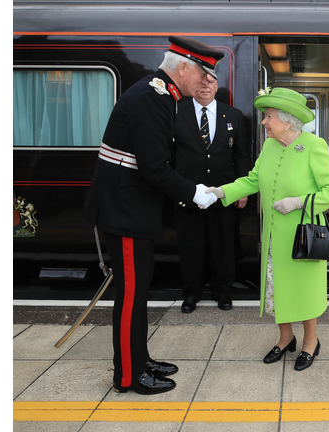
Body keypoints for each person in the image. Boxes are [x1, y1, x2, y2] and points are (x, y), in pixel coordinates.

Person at [82, 36, 224, 395]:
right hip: (125, 212)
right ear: (182, 68)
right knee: (131, 295)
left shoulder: (161, 95)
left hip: (131, 210)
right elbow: (153, 168)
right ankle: (128, 375)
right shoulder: (153, 98)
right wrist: (195, 193)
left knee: (139, 291)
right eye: (201, 74)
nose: (204, 83)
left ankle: (140, 359)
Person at [207, 88, 329, 371]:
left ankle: (310, 342)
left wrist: (297, 202)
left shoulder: (313, 145)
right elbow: (253, 179)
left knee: (304, 290)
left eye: (268, 117)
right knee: (276, 288)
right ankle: (285, 338)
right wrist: (219, 192)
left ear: (288, 120)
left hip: (302, 237)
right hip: (272, 237)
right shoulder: (269, 146)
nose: (264, 122)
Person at [172, 75, 250, 313]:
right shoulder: (176, 113)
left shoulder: (234, 115)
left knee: (223, 245)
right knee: (190, 246)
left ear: (217, 87)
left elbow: (241, 156)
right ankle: (192, 293)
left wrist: (242, 190)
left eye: (210, 82)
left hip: (223, 192)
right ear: (192, 87)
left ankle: (222, 291)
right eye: (201, 82)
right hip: (187, 192)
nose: (205, 86)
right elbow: (169, 153)